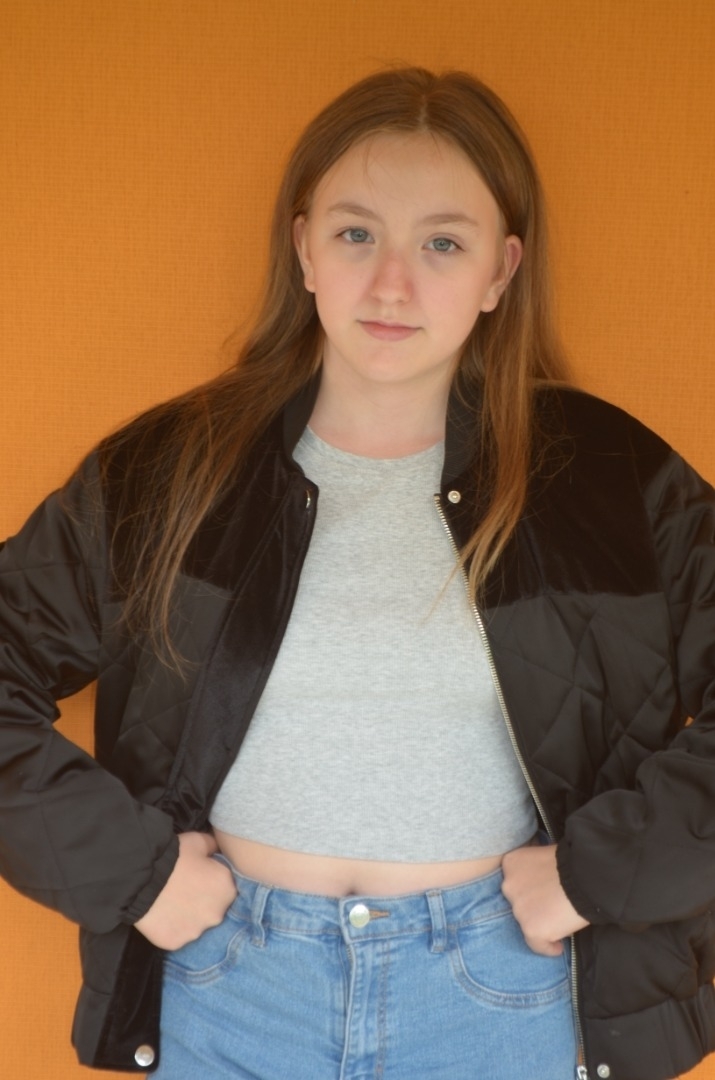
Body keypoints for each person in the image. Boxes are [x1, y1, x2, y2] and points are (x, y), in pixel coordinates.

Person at [1, 66, 714, 1080]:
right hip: (226, 995)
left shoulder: (609, 480)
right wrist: (135, 874)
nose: (391, 285)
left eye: (442, 244)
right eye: (354, 234)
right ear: (303, 248)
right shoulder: (166, 472)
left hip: (507, 1001)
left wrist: (604, 873)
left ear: (501, 271)